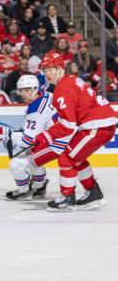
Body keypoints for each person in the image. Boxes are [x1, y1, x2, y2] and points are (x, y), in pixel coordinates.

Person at [35, 53, 116, 211]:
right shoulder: (71, 80)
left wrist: (45, 136)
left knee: (67, 158)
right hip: (100, 123)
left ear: (60, 69)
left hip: (96, 126)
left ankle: (67, 198)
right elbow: (71, 118)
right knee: (76, 158)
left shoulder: (61, 89)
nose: (47, 74)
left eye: (51, 69)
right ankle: (93, 193)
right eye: (45, 70)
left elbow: (68, 125)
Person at [0, 75, 55, 199]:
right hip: (58, 136)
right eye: (21, 90)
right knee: (31, 155)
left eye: (26, 90)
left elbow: (28, 140)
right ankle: (39, 186)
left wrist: (7, 133)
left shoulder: (35, 109)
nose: (23, 94)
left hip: (54, 142)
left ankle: (24, 190)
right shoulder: (44, 93)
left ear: (34, 89)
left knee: (17, 164)